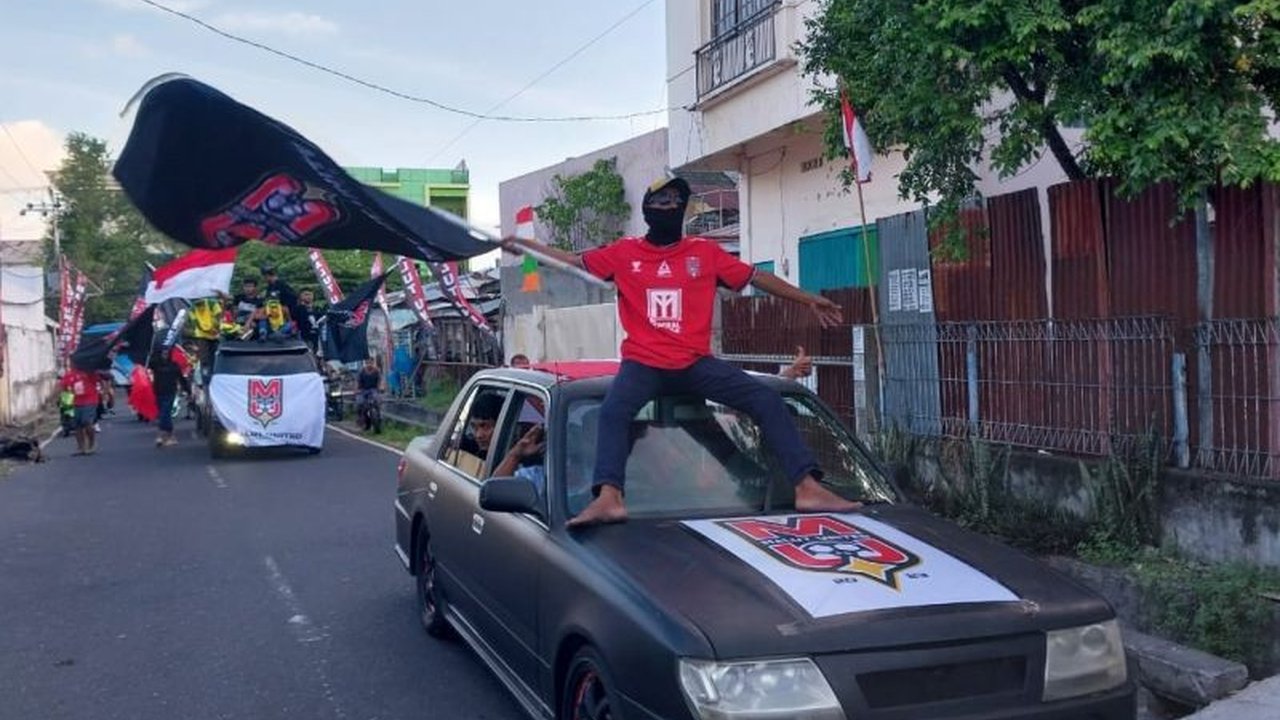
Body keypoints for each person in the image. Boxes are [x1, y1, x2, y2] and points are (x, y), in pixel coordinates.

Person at [502, 176, 860, 527]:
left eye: (676, 201)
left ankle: (807, 487)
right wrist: (527, 247)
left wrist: (808, 298)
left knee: (766, 399)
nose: (669, 207)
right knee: (613, 411)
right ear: (647, 210)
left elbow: (756, 277)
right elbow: (573, 260)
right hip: (643, 364)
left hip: (695, 364)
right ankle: (610, 497)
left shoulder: (704, 253)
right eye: (661, 201)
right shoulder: (624, 253)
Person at [151, 346, 191, 447]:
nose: (164, 355)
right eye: (163, 353)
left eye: (166, 353)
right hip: (158, 392)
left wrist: (188, 391)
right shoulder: (155, 365)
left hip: (170, 392)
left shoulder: (174, 365)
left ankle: (161, 436)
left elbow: (181, 379)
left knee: (165, 413)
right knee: (162, 414)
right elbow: (146, 365)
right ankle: (171, 436)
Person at [59, 364, 101, 455]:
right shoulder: (69, 375)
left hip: (90, 401)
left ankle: (92, 444)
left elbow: (102, 378)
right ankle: (81, 447)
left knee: (86, 421)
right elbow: (64, 388)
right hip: (75, 402)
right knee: (77, 425)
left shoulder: (89, 372)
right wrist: (66, 404)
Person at [355, 357, 382, 424]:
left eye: (371, 363)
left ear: (373, 363)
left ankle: (379, 416)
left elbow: (380, 380)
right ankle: (360, 417)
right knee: (360, 403)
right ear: (365, 363)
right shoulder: (362, 371)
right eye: (368, 363)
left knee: (377, 401)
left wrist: (380, 387)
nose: (369, 364)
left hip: (373, 390)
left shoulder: (377, 371)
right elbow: (357, 381)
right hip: (363, 390)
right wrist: (357, 389)